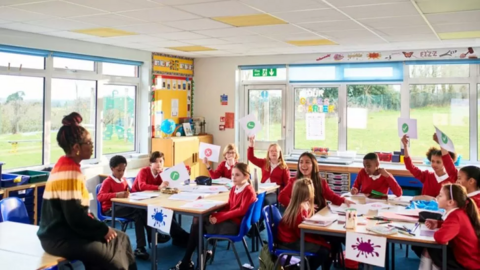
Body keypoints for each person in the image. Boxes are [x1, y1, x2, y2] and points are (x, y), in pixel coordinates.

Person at [37, 112, 137, 270]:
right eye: (89, 143)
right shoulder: (69, 172)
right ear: (76, 148)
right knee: (115, 255)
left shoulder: (67, 166)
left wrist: (100, 228)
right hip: (60, 238)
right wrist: (102, 229)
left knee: (122, 238)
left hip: (65, 233)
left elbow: (78, 212)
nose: (92, 146)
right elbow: (75, 216)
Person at [170, 162, 256, 270]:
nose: (233, 177)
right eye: (233, 174)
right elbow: (229, 206)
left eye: (237, 175)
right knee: (198, 220)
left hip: (235, 226)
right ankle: (196, 258)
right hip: (229, 220)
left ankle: (190, 260)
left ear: (246, 176)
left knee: (198, 225)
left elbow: (240, 211)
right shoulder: (234, 188)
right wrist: (216, 214)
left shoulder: (248, 190)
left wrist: (219, 217)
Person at [131, 151, 189, 246]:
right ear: (151, 163)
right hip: (138, 200)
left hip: (153, 199)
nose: (159, 164)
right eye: (156, 162)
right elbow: (142, 186)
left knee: (169, 208)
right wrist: (158, 187)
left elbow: (164, 187)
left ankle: (177, 237)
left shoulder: (161, 174)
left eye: (161, 161)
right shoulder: (144, 171)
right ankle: (182, 236)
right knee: (160, 212)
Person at [97, 155, 149, 260]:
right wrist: (116, 195)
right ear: (112, 169)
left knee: (141, 211)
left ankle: (142, 246)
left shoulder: (123, 180)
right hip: (110, 210)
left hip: (123, 207)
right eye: (119, 170)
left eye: (123, 170)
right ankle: (144, 244)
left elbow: (127, 193)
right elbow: (100, 197)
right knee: (138, 212)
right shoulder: (108, 181)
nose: (121, 173)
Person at [418, 184, 480, 270]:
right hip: (469, 258)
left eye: (440, 195)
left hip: (467, 263)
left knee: (431, 249)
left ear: (450, 202)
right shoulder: (460, 212)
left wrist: (438, 230)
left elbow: (441, 238)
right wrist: (438, 224)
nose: (437, 197)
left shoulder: (455, 216)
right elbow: (454, 227)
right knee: (431, 250)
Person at [278, 178, 331, 270]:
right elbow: (302, 234)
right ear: (308, 194)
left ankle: (302, 266)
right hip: (290, 241)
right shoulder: (299, 210)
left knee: (325, 246)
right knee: (324, 250)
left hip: (291, 238)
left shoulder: (299, 205)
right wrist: (321, 241)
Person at [279, 152, 354, 209]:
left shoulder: (321, 182)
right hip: (301, 215)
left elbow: (332, 197)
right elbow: (282, 197)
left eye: (307, 162)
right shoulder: (294, 181)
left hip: (318, 214)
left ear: (313, 165)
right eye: (301, 162)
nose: (303, 165)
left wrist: (344, 200)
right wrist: (299, 206)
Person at [247, 136, 289, 205]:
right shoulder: (264, 162)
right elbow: (251, 158)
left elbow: (287, 184)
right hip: (262, 190)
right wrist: (251, 145)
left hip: (274, 192)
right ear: (268, 153)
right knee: (250, 197)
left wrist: (283, 195)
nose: (273, 153)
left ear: (280, 153)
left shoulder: (284, 167)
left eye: (276, 151)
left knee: (265, 200)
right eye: (271, 151)